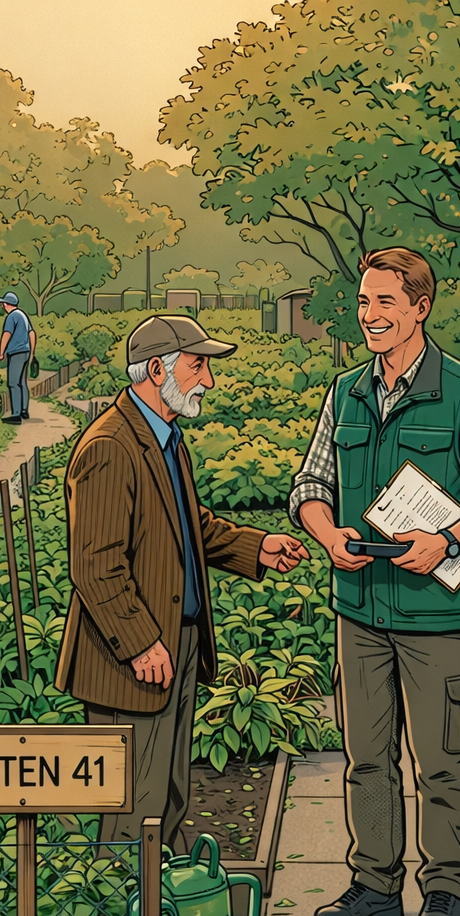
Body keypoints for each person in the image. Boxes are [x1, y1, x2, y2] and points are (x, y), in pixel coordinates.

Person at [289, 247, 460, 916]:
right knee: (366, 759)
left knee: (443, 761)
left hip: (439, 617)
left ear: (421, 308)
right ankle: (373, 885)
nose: (370, 316)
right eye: (365, 303)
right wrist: (327, 532)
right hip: (359, 612)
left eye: (385, 302)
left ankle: (446, 890)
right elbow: (309, 486)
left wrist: (449, 539)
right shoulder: (345, 393)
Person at [54, 313, 309, 853]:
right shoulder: (110, 446)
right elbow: (96, 564)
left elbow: (189, 527)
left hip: (178, 641)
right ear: (154, 368)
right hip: (133, 657)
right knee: (132, 806)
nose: (208, 382)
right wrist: (142, 641)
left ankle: (159, 909)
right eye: (198, 368)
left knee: (168, 793)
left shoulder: (164, 437)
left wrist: (256, 547)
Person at [0, 290, 36, 424]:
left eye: (3, 304)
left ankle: (16, 415)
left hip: (16, 353)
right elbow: (32, 333)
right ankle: (24, 410)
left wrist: (1, 352)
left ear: (7, 304)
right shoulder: (23, 315)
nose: (3, 306)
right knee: (22, 382)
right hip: (25, 352)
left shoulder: (12, 316)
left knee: (13, 383)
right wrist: (32, 352)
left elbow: (7, 334)